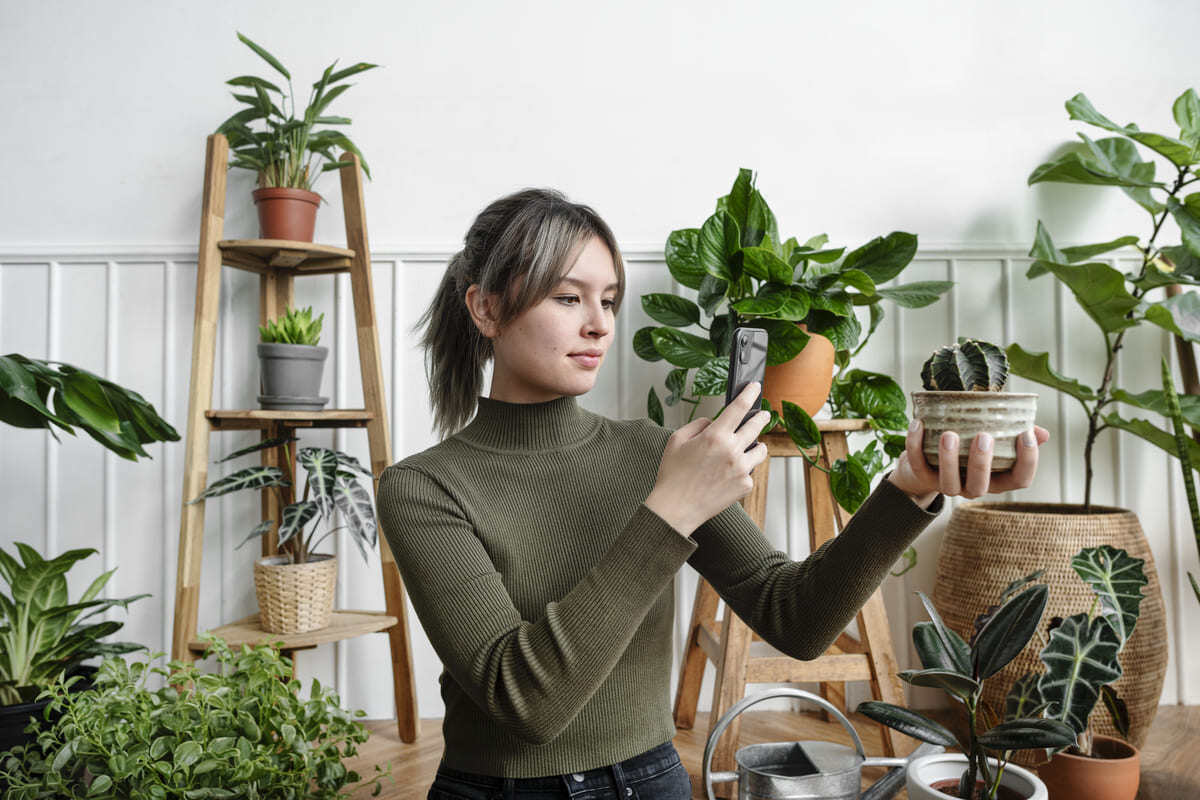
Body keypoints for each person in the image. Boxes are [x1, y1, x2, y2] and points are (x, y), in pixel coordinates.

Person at [376, 188, 1049, 800]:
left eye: (608, 300)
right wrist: (672, 508)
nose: (599, 325)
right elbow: (525, 701)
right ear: (486, 308)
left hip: (651, 780)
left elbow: (797, 618)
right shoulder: (423, 488)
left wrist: (908, 489)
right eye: (566, 297)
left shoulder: (648, 455)